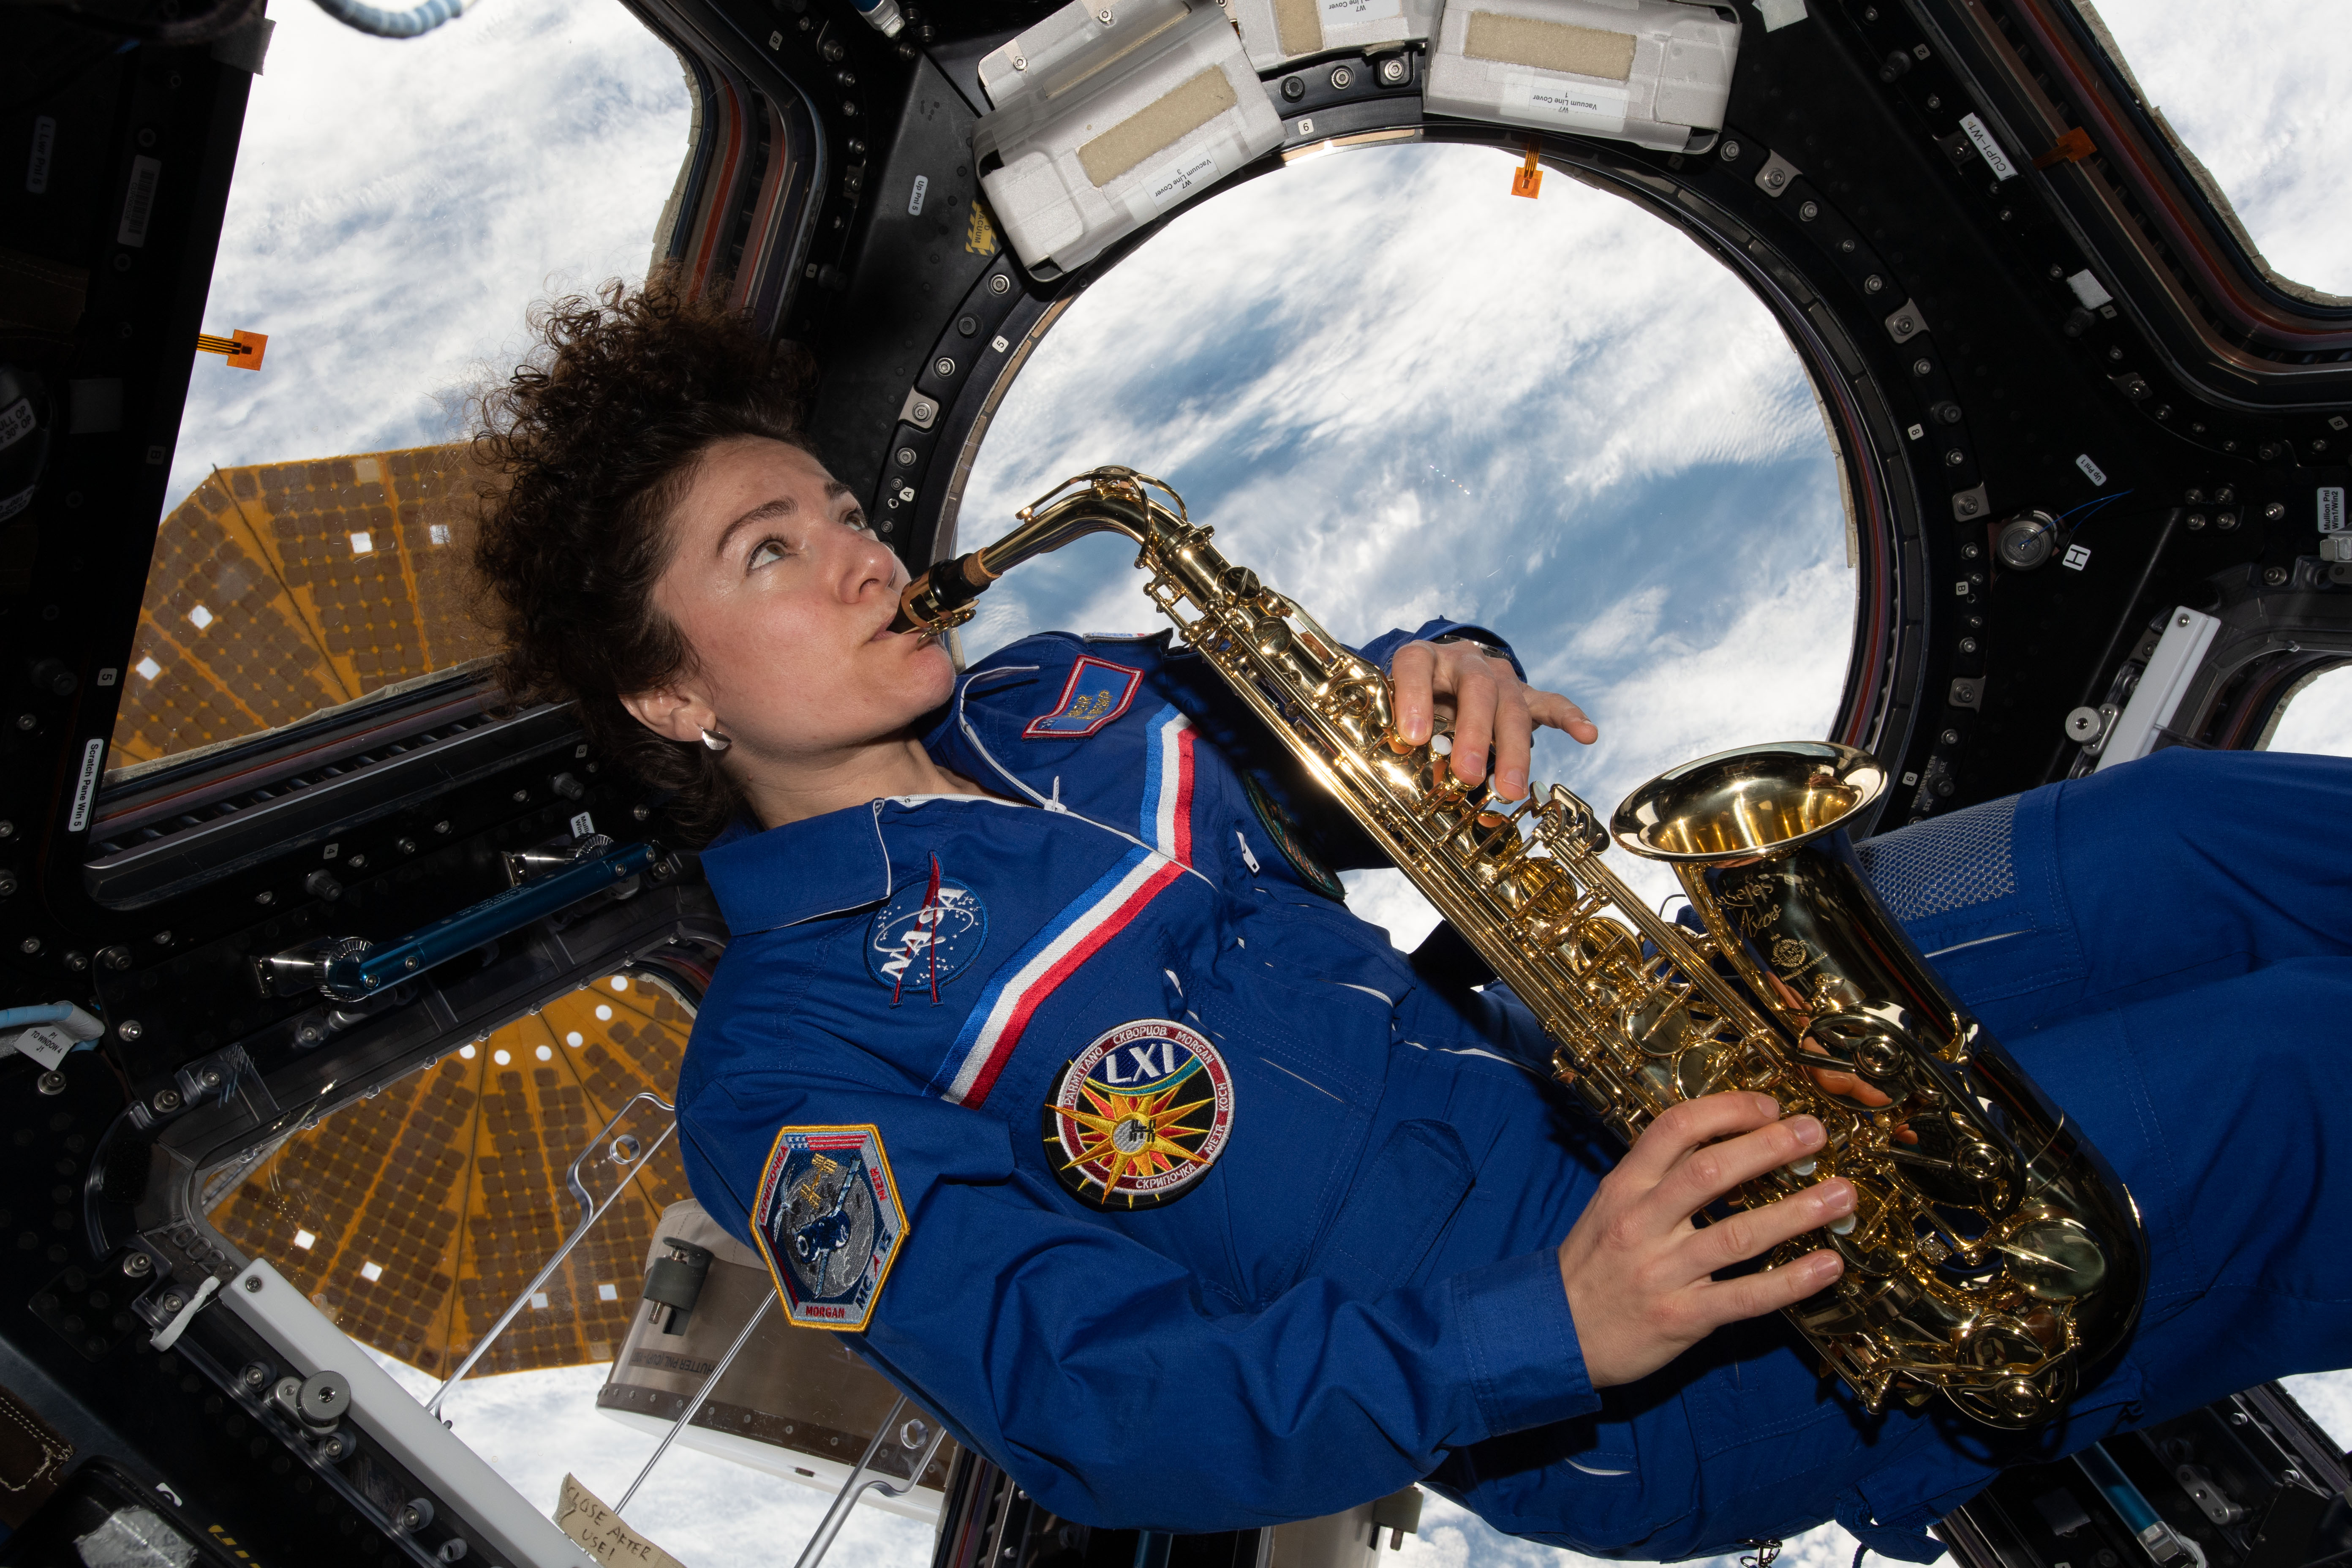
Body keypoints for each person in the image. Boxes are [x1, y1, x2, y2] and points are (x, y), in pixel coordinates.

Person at [473, 276, 2352, 1562]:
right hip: (1614, 1357)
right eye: (770, 554)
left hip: (1609, 1048)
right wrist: (1553, 1324)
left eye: (833, 506)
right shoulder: (790, 1062)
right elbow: (1097, 1408)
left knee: (2194, 835)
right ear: (672, 698)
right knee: (2290, 1074)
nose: (867, 550)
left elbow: (1356, 708)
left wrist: (1457, 667)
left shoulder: (1067, 702)